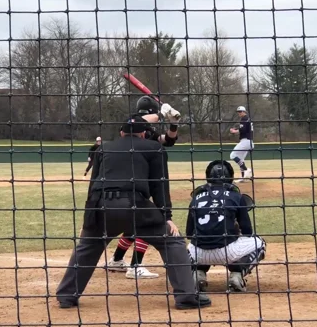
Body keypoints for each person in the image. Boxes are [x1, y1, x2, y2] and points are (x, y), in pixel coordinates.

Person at [56, 115, 210, 310]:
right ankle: (187, 298)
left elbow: (94, 185)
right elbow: (159, 186)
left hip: (101, 206)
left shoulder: (103, 148)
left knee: (87, 247)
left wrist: (88, 220)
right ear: (144, 134)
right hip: (135, 206)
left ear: (121, 132)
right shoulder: (154, 148)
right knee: (173, 242)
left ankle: (66, 296)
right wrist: (167, 217)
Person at [105, 96, 181, 279]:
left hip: (141, 179)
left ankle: (117, 260)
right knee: (149, 220)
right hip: (134, 180)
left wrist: (173, 124)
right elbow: (137, 122)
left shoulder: (147, 131)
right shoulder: (132, 122)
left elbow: (168, 141)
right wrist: (162, 113)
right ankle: (135, 266)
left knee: (135, 223)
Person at [186, 160, 266, 293]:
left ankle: (197, 273)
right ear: (230, 177)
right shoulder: (236, 196)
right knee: (260, 242)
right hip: (228, 253)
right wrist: (234, 229)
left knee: (189, 248)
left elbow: (189, 233)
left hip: (199, 254)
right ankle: (237, 275)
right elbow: (247, 231)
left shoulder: (196, 198)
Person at [229, 106, 254, 183]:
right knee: (241, 160)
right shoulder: (247, 119)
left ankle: (246, 170)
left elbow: (242, 130)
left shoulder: (244, 119)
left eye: (240, 111)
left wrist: (234, 131)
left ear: (244, 112)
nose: (239, 113)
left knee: (232, 155)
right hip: (249, 142)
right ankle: (243, 178)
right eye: (238, 112)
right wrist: (236, 130)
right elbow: (245, 129)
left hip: (245, 141)